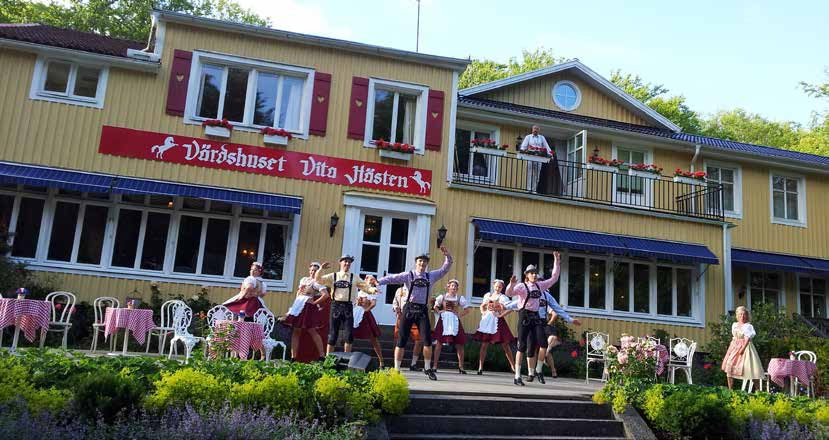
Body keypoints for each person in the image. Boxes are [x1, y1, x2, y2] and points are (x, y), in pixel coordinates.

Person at [373, 246, 453, 381]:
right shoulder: (408, 275)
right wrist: (377, 282)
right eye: (420, 261)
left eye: (424, 261)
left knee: (427, 341)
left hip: (422, 310)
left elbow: (445, 269)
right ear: (416, 263)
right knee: (401, 340)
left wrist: (448, 256)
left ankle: (427, 368)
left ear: (427, 264)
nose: (422, 264)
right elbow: (392, 278)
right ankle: (396, 369)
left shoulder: (431, 276)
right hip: (409, 309)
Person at [505, 252, 581, 386]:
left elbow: (554, 278)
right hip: (524, 316)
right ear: (526, 275)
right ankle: (517, 376)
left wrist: (556, 262)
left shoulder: (541, 287)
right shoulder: (522, 287)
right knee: (521, 347)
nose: (534, 275)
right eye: (531, 273)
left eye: (535, 273)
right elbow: (509, 294)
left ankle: (538, 370)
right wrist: (511, 285)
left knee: (544, 344)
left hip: (536, 318)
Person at [316, 255, 376, 355]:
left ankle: (346, 359)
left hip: (348, 306)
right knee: (333, 334)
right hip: (335, 306)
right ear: (340, 262)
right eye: (345, 261)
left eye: (349, 262)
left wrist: (373, 290)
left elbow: (366, 287)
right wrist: (321, 269)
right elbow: (319, 280)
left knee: (349, 334)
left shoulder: (354, 277)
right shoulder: (333, 276)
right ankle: (328, 360)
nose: (347, 264)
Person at [283, 262, 329, 361]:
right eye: (312, 270)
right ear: (309, 270)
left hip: (308, 307)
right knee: (296, 330)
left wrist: (314, 302)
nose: (313, 272)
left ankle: (322, 355)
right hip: (298, 305)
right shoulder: (304, 280)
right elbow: (298, 292)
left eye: (315, 270)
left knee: (312, 330)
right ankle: (293, 357)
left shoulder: (317, 282)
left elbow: (325, 295)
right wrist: (294, 305)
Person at [530, 288, 579, 380]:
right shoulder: (535, 302)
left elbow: (555, 314)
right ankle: (538, 371)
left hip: (545, 327)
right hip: (538, 326)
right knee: (538, 349)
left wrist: (549, 323)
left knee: (544, 349)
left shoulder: (546, 303)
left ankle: (547, 370)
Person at [473, 279, 516, 375]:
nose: (497, 288)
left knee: (505, 345)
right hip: (488, 320)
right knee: (484, 344)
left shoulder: (503, 297)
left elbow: (511, 308)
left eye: (500, 287)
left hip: (497, 321)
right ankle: (480, 367)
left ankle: (513, 366)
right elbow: (482, 305)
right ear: (493, 286)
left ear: (502, 288)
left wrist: (501, 315)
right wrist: (483, 312)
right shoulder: (488, 296)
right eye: (496, 286)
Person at [722, 306, 764, 391]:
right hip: (735, 347)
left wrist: (742, 349)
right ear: (737, 315)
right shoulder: (734, 325)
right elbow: (734, 337)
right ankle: (730, 389)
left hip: (746, 347)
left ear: (747, 316)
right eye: (740, 314)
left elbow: (747, 338)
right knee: (729, 366)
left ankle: (758, 390)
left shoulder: (748, 326)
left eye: (744, 314)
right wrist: (731, 348)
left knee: (751, 369)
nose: (742, 316)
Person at [432, 279, 470, 374]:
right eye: (452, 286)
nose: (453, 287)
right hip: (444, 320)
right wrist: (440, 311)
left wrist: (459, 315)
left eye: (455, 286)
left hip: (454, 321)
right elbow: (435, 306)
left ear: (457, 288)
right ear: (448, 287)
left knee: (459, 344)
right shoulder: (443, 297)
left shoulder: (459, 298)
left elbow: (467, 309)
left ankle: (461, 367)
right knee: (439, 343)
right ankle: (434, 366)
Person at [393, 286, 423, 371]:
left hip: (414, 316)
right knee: (398, 340)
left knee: (418, 340)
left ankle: (413, 364)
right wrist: (396, 309)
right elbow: (395, 302)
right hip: (402, 316)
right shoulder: (400, 290)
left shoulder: (418, 289)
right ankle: (396, 364)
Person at [352, 289, 385, 368]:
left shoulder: (371, 293)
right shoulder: (358, 292)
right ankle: (347, 357)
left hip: (366, 315)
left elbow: (373, 304)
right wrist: (356, 303)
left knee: (373, 338)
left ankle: (381, 361)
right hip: (356, 313)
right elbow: (353, 303)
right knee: (349, 337)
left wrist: (366, 310)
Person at [519, 125, 554, 193]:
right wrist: (522, 152)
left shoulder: (542, 138)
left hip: (539, 158)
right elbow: (523, 146)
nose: (535, 130)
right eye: (534, 128)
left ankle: (534, 189)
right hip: (530, 157)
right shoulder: (528, 137)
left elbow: (546, 146)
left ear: (539, 130)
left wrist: (550, 154)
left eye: (537, 129)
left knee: (537, 175)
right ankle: (529, 189)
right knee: (529, 174)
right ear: (532, 129)